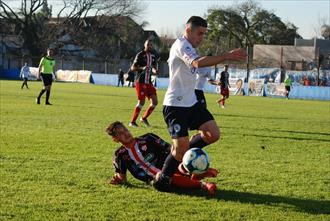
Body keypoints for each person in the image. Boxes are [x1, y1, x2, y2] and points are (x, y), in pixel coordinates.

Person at [153, 16, 246, 192]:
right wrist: (226, 56)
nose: (201, 38)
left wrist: (224, 59)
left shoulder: (190, 47)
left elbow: (201, 64)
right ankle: (163, 178)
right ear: (188, 30)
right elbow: (196, 63)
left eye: (203, 34)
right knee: (180, 151)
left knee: (213, 134)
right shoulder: (181, 45)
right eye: (199, 33)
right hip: (175, 105)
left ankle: (182, 151)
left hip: (192, 102)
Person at [106, 121, 218, 195]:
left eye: (125, 130)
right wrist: (118, 180)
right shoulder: (119, 155)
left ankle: (199, 171)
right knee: (164, 178)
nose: (126, 133)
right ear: (115, 139)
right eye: (120, 133)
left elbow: (171, 149)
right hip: (154, 179)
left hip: (169, 166)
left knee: (179, 165)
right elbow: (122, 177)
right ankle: (203, 183)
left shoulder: (148, 137)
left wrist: (188, 144)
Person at [128, 39, 159, 127]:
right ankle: (132, 122)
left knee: (155, 102)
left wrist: (155, 70)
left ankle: (144, 118)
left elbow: (153, 66)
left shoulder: (153, 56)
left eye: (151, 45)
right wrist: (142, 68)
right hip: (140, 82)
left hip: (148, 82)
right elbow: (133, 68)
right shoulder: (140, 55)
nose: (149, 46)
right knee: (141, 102)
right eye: (148, 44)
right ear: (144, 45)